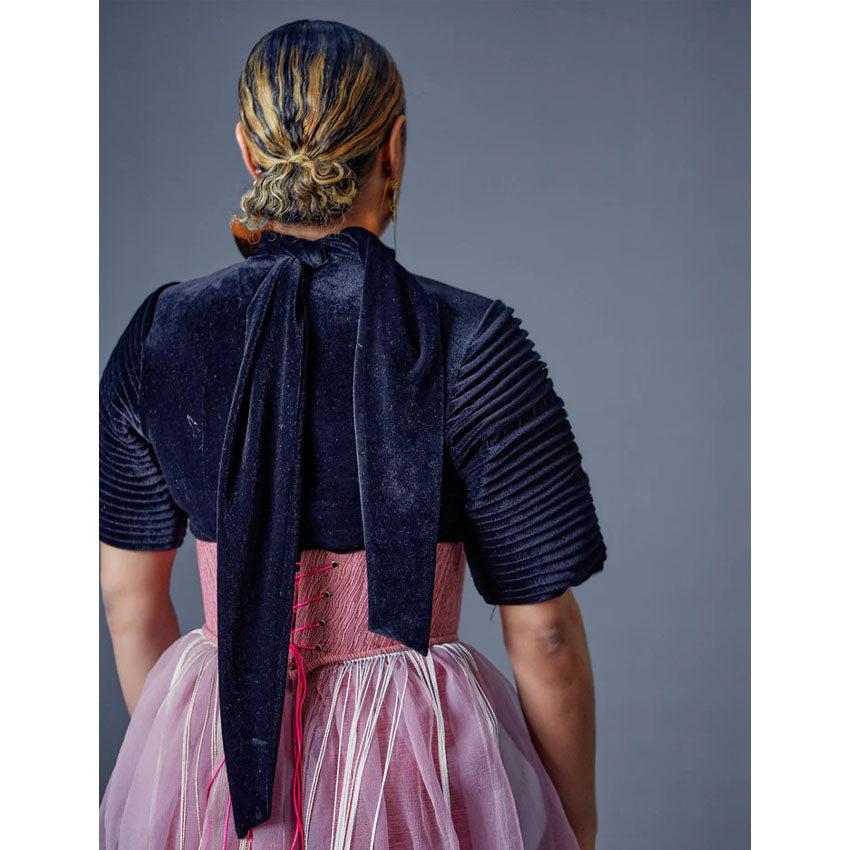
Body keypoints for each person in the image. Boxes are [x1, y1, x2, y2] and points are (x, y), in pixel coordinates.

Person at [99, 19, 607, 850]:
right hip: (416, 764)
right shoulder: (471, 340)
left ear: (248, 152)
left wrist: (190, 765)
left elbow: (130, 601)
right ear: (394, 148)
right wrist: (572, 828)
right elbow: (544, 631)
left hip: (219, 754)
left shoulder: (159, 332)